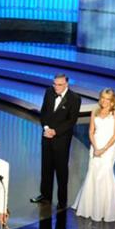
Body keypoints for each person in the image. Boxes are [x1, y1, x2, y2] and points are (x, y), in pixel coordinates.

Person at [72, 87, 115, 222]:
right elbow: (91, 131)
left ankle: (105, 209)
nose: (104, 101)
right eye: (102, 98)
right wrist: (95, 147)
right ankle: (89, 207)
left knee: (104, 176)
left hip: (108, 148)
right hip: (95, 146)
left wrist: (103, 149)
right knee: (93, 174)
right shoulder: (95, 110)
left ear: (112, 101)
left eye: (107, 99)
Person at [31, 73, 81, 209]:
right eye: (55, 84)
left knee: (61, 170)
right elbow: (44, 112)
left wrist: (56, 131)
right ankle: (45, 196)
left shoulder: (74, 99)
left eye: (59, 85)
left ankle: (62, 201)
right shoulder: (49, 92)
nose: (56, 87)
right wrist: (46, 128)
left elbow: (71, 121)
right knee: (46, 168)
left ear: (66, 84)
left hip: (61, 140)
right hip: (47, 136)